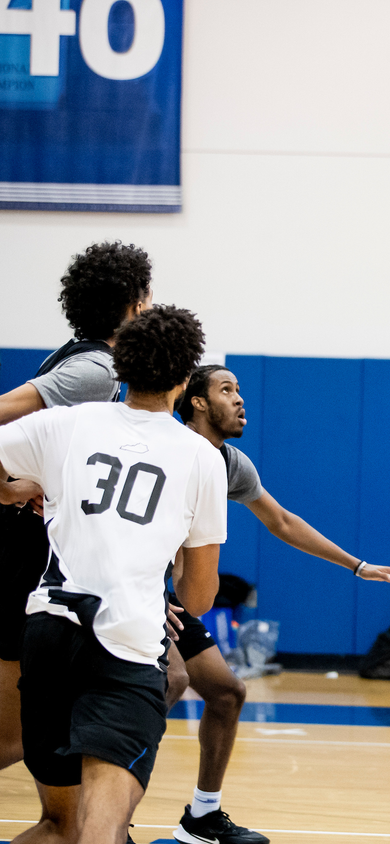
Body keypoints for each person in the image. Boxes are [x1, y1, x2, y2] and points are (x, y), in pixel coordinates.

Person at [0, 305, 226, 844]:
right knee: (99, 833)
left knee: (59, 826)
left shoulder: (66, 424)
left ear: (119, 368)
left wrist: (11, 491)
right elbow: (197, 596)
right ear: (183, 377)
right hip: (124, 645)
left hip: (50, 633)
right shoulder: (200, 458)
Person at [167, 364, 390, 844]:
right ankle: (98, 806)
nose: (240, 399)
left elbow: (281, 521)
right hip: (128, 588)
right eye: (226, 390)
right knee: (170, 682)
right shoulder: (170, 451)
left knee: (226, 693)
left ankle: (202, 817)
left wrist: (358, 565)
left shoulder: (230, 464)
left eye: (240, 390)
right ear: (197, 402)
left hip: (170, 598)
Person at [0, 241, 154, 774]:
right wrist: (13, 488)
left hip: (51, 556)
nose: (153, 305)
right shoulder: (95, 370)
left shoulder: (88, 357)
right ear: (132, 303)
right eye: (148, 294)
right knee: (14, 739)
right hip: (24, 552)